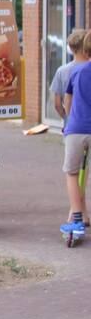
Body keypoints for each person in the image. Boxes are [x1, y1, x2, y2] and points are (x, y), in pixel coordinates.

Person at [61, 30, 91, 238]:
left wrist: (70, 121)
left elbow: (68, 101)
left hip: (77, 129)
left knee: (72, 173)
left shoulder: (77, 72)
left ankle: (77, 219)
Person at [51, 29, 86, 122]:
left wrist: (67, 119)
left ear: (70, 48)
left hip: (72, 124)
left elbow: (57, 104)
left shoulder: (61, 71)